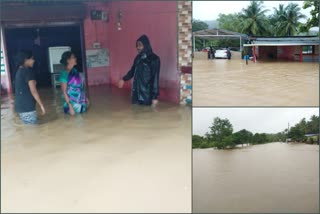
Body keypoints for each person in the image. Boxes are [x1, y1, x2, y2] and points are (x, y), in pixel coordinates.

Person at [118, 35, 160, 106]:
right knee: (135, 114)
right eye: (137, 45)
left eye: (140, 45)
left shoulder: (154, 59)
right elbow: (132, 71)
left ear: (146, 45)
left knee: (147, 115)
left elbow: (155, 78)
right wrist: (123, 79)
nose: (138, 47)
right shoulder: (138, 58)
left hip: (147, 96)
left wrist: (154, 97)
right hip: (136, 95)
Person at [14, 50, 46, 124]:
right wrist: (41, 105)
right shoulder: (27, 71)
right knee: (33, 131)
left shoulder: (19, 70)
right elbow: (33, 91)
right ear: (26, 60)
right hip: (27, 108)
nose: (33, 61)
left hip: (20, 107)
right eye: (32, 58)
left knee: (30, 129)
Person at [59, 51, 89, 115]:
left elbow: (80, 86)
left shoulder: (75, 71)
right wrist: (70, 106)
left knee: (82, 120)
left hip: (80, 100)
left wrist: (85, 98)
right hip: (71, 103)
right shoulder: (64, 74)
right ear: (68, 60)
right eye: (73, 57)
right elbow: (64, 92)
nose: (75, 58)